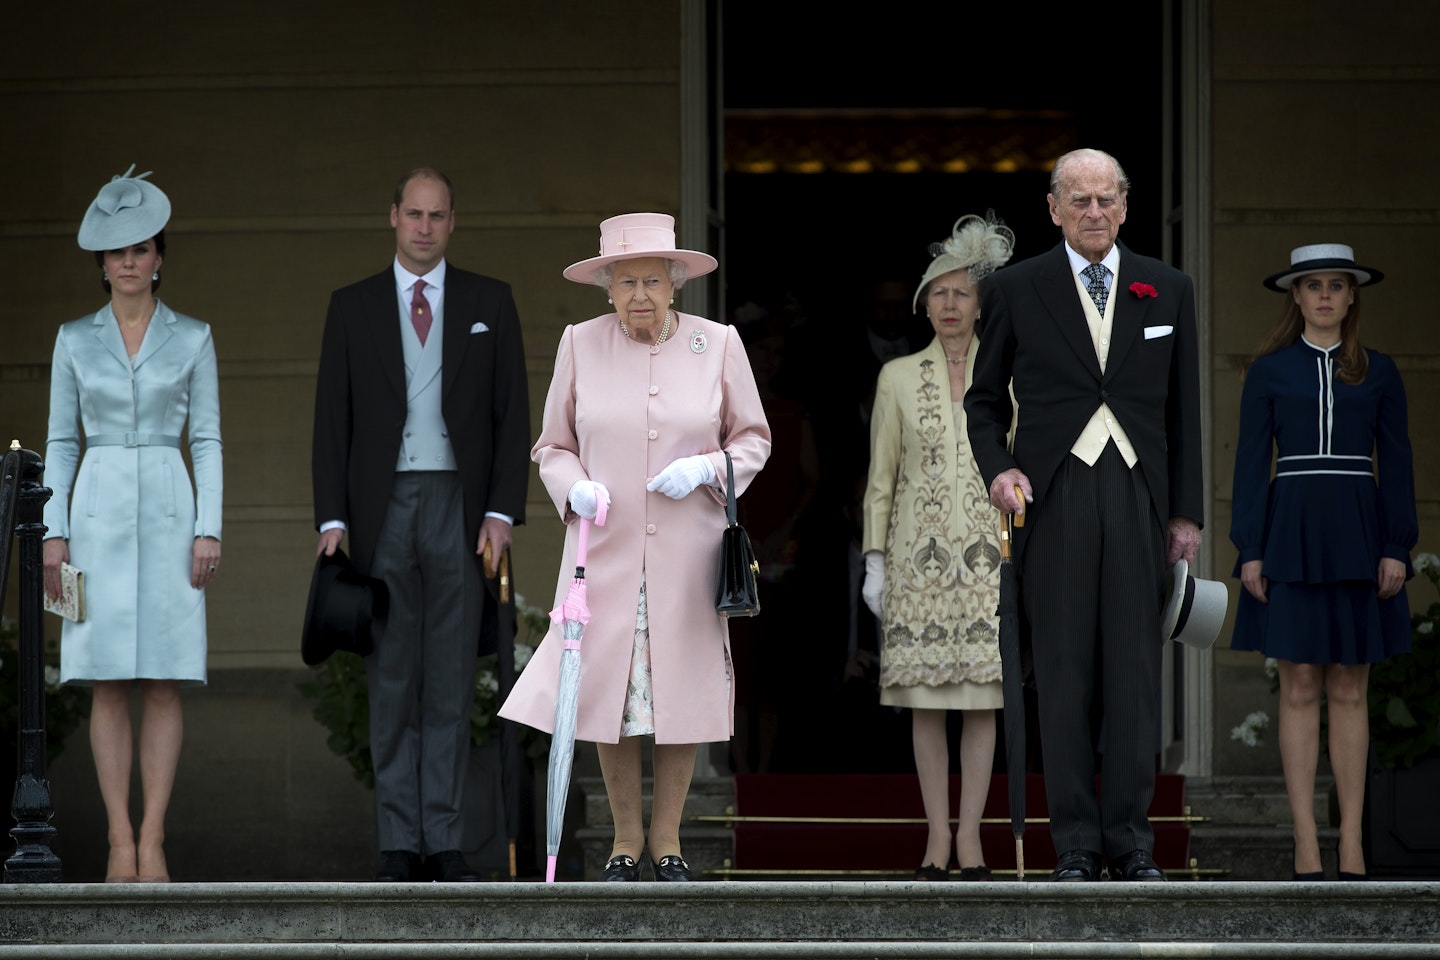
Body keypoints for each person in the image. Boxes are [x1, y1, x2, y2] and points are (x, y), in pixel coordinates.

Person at [499, 212, 770, 882]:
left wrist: (706, 470)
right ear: (607, 289)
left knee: (680, 690)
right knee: (607, 696)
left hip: (688, 552)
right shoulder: (578, 344)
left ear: (676, 283)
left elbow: (753, 440)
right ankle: (623, 843)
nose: (640, 293)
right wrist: (573, 487)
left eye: (653, 279)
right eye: (626, 281)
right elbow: (551, 445)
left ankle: (669, 842)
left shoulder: (719, 343)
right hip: (605, 552)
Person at [965, 148, 1204, 883]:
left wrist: (1187, 513)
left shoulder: (1167, 288)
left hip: (1137, 495)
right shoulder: (1016, 287)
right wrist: (998, 468)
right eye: (1079, 201)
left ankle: (1132, 841)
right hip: (1054, 495)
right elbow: (980, 401)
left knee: (1135, 673)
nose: (1094, 212)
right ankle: (1072, 841)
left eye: (1106, 200)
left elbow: (1182, 409)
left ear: (1126, 206)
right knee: (1064, 671)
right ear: (1054, 208)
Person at [311, 167, 531, 882]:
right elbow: (331, 422)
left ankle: (443, 838)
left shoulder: (489, 301)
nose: (425, 227)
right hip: (382, 509)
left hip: (462, 511)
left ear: (453, 221)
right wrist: (334, 518)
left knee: (449, 678)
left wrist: (502, 510)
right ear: (394, 217)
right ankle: (398, 841)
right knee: (391, 677)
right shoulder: (351, 306)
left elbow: (511, 413)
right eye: (414, 214)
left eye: (438, 215)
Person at [42, 165, 222, 883]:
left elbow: (205, 439)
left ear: (159, 256)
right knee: (107, 680)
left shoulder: (195, 336)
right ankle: (118, 839)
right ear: (102, 263)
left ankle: (154, 839)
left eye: (142, 248)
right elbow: (58, 440)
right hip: (93, 514)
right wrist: (53, 534)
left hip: (173, 510)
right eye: (117, 251)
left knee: (165, 680)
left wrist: (210, 527)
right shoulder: (73, 339)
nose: (129, 261)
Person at [1230, 244, 1416, 882]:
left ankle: (1353, 844)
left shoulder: (1381, 371)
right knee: (1301, 685)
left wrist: (1397, 544)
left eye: (1338, 285)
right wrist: (1249, 547)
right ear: (1298, 297)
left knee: (1350, 687)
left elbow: (1396, 465)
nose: (1327, 296)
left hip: (1361, 534)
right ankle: (1305, 843)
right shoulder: (1269, 372)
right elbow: (1251, 466)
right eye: (1315, 286)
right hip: (1293, 535)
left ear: (1353, 295)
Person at [860, 212, 1015, 881]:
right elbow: (880, 477)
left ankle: (973, 839)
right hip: (915, 558)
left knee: (983, 699)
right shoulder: (896, 376)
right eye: (938, 293)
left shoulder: (1012, 373)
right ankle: (935, 839)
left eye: (962, 292)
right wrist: (873, 561)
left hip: (990, 556)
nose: (949, 304)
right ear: (923, 303)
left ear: (982, 303)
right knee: (924, 701)